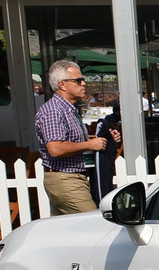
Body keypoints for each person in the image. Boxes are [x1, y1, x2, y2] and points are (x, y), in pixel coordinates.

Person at [36, 60, 119, 215]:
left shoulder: (68, 109)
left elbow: (73, 141)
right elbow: (56, 148)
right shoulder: (54, 110)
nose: (84, 84)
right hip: (65, 179)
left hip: (71, 178)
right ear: (62, 84)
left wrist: (105, 138)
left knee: (67, 233)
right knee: (93, 225)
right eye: (78, 80)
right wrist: (90, 145)